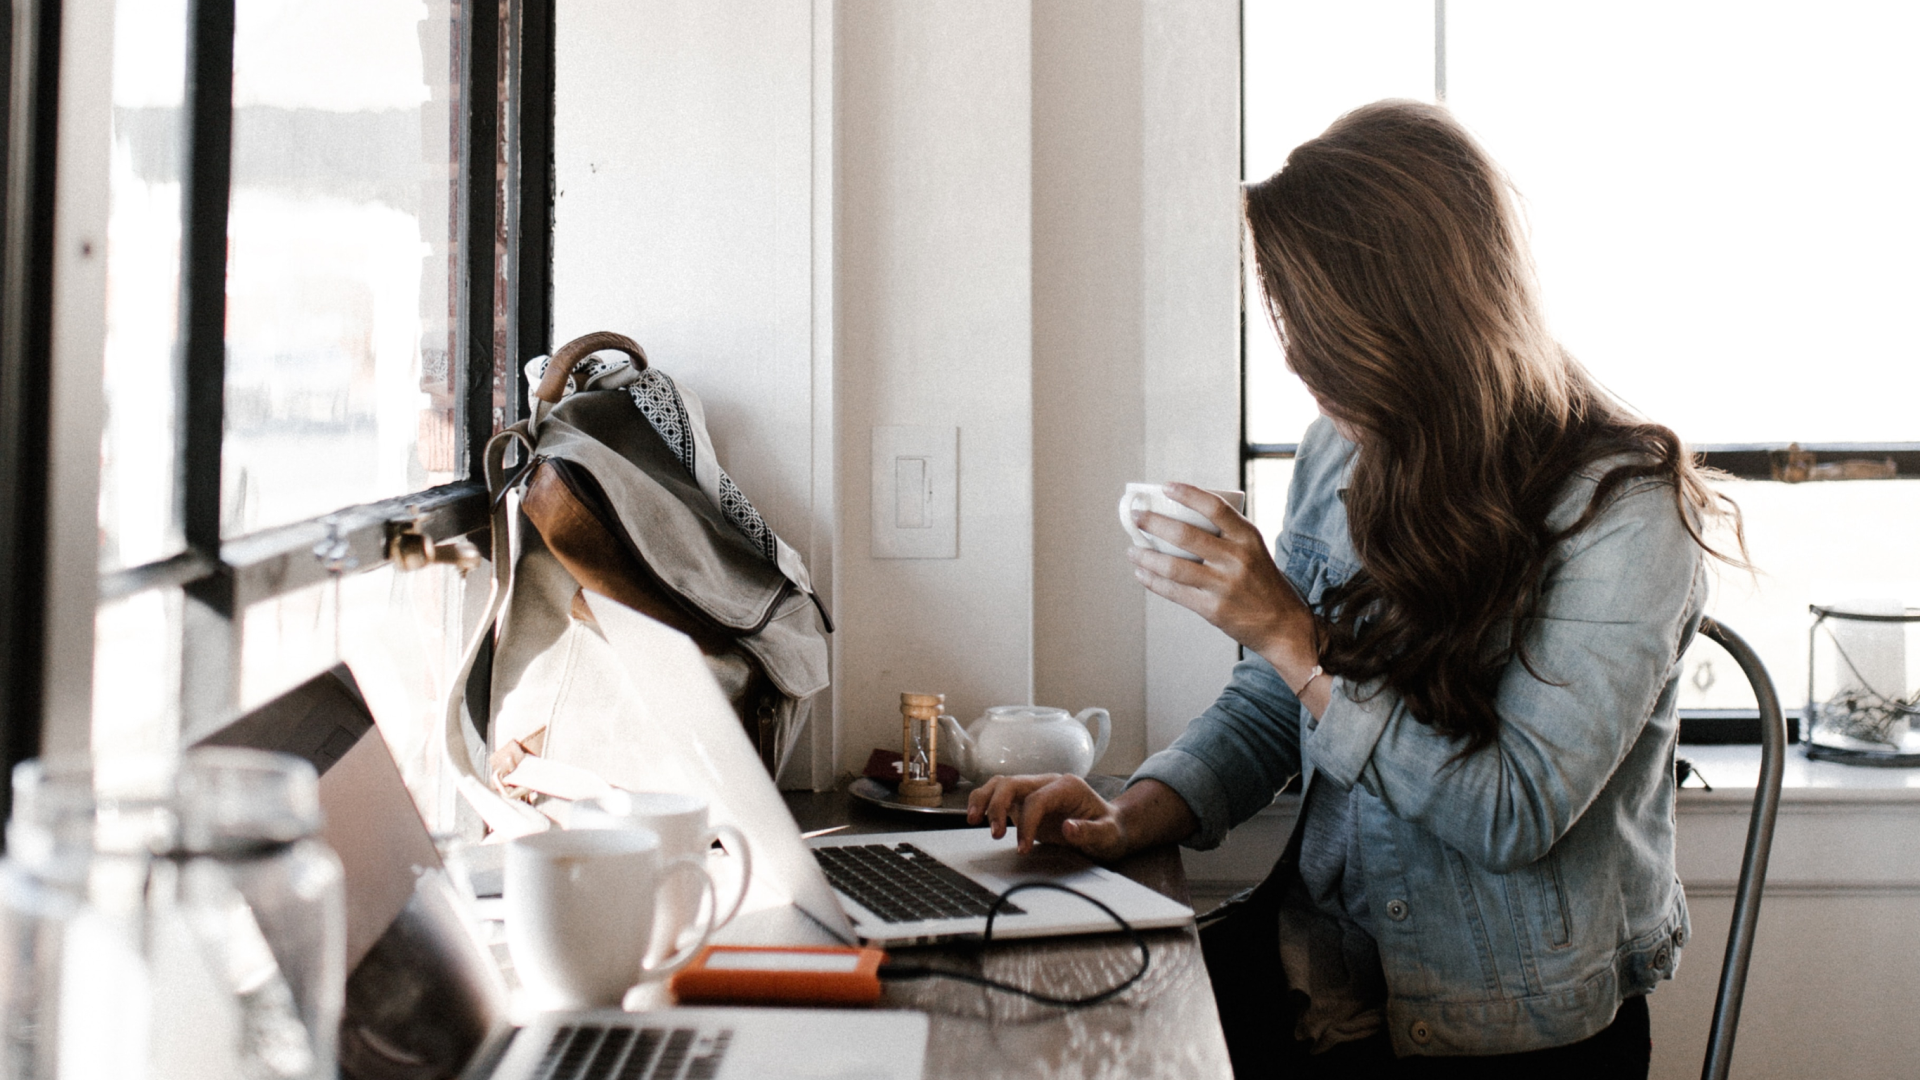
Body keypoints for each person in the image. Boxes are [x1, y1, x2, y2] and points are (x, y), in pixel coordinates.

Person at [968, 100, 1742, 1078]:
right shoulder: (1350, 444)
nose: (1302, 366)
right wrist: (1131, 813)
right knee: (1034, 1031)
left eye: (1322, 337)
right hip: (1316, 966)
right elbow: (1271, 703)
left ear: (1421, 322)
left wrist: (1292, 633)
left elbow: (1511, 814)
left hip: (1500, 1027)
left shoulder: (1627, 514)